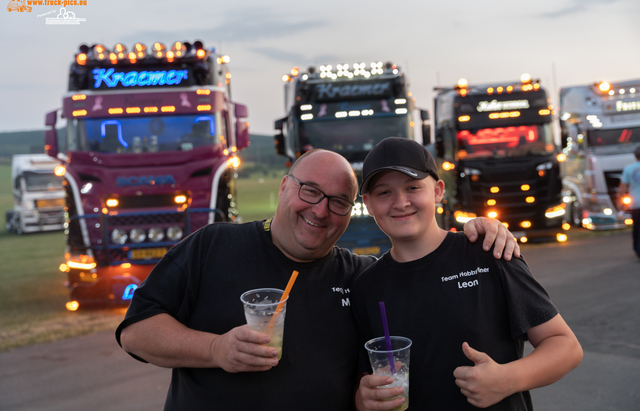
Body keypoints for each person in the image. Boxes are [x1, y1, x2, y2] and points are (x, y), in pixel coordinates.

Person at [116, 148, 520, 410]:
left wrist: (481, 231)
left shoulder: (362, 279)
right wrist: (216, 349)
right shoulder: (213, 245)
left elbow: (422, 281)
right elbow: (136, 331)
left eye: (339, 202)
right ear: (283, 187)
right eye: (309, 191)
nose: (321, 210)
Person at [352, 137, 583, 410]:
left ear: (438, 191)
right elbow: (362, 379)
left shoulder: (488, 252)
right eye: (384, 193)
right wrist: (362, 398)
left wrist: (508, 379)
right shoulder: (366, 287)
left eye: (413, 187)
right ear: (368, 203)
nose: (401, 202)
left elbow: (565, 346)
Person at [618, 145, 640, 258]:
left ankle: (637, 248)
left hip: (635, 204)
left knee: (636, 227)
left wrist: (620, 205)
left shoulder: (629, 168)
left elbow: (622, 188)